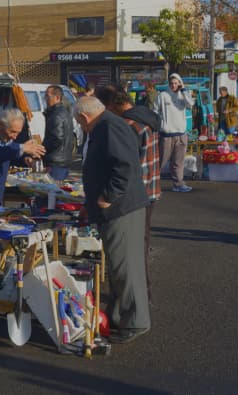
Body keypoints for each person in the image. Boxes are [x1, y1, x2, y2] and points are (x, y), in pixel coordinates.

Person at [74, 96, 150, 344]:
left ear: (85, 118)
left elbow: (125, 166)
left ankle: (135, 321)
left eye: (80, 123)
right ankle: (120, 316)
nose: (82, 128)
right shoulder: (109, 125)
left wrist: (107, 196)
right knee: (121, 267)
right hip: (120, 207)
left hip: (121, 208)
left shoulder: (108, 127)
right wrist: (90, 204)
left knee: (125, 267)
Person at [96, 85, 161, 306]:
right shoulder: (147, 118)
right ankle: (144, 296)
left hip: (134, 195)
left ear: (114, 105)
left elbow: (125, 166)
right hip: (151, 190)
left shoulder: (129, 125)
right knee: (142, 246)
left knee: (133, 252)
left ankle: (138, 300)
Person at [152, 73, 195, 192]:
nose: (174, 85)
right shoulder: (162, 95)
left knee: (178, 162)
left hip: (181, 134)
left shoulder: (184, 95)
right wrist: (159, 126)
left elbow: (191, 104)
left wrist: (184, 90)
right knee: (160, 161)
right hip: (166, 134)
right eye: (171, 83)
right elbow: (155, 111)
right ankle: (151, 183)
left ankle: (178, 184)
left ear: (180, 83)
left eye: (176, 83)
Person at [42, 85, 75, 181]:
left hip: (56, 161)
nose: (45, 99)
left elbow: (56, 138)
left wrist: (41, 150)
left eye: (47, 96)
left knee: (52, 192)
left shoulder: (57, 114)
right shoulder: (61, 112)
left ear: (57, 98)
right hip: (61, 160)